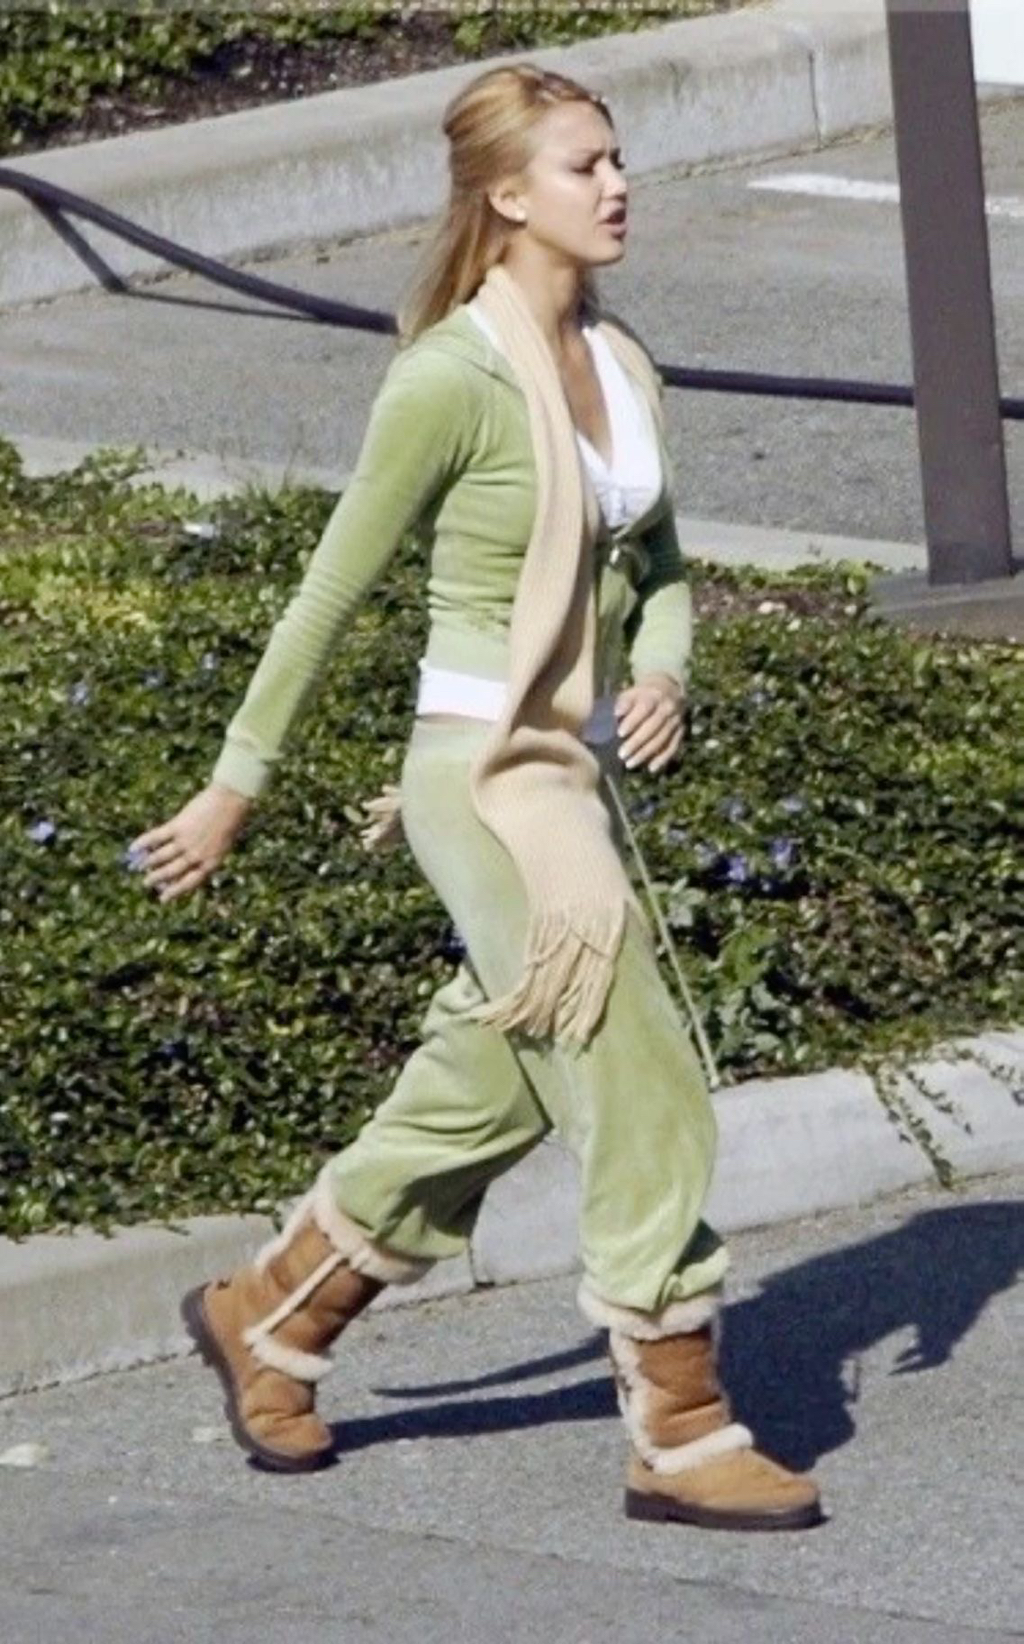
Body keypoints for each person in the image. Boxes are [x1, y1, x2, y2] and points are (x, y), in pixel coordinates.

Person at [130, 62, 823, 1533]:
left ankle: (275, 1311)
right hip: (481, 775)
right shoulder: (449, 377)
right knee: (638, 1056)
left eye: (617, 159)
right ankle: (679, 1419)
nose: (617, 185)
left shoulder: (619, 359)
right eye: (584, 165)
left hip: (571, 766)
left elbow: (660, 561)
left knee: (494, 1076)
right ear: (507, 195)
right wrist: (234, 786)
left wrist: (666, 670)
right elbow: (329, 593)